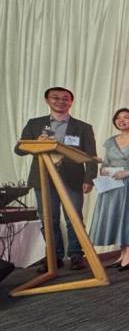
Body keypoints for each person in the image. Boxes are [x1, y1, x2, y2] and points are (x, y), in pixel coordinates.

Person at [14, 87, 97, 271]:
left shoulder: (83, 127)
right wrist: (36, 142)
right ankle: (54, 257)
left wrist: (89, 178)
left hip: (73, 179)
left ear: (71, 102)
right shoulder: (35, 123)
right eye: (55, 98)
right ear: (47, 100)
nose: (60, 101)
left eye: (65, 98)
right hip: (43, 178)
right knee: (49, 219)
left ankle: (76, 255)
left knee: (74, 218)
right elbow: (19, 149)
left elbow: (91, 155)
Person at [89, 108, 129, 271]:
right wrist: (104, 170)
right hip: (113, 184)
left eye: (126, 117)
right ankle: (122, 253)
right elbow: (106, 163)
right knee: (117, 216)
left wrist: (128, 173)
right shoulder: (110, 141)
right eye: (118, 118)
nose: (122, 120)